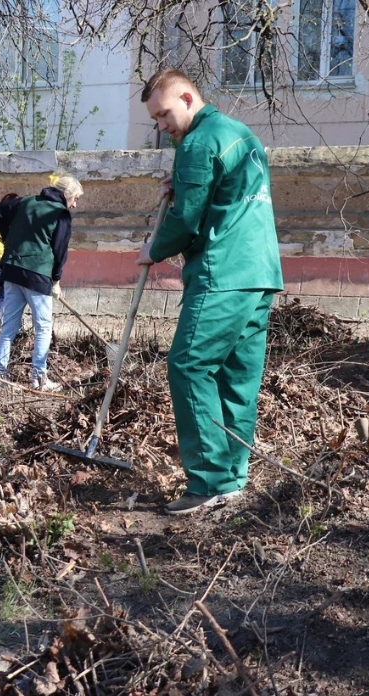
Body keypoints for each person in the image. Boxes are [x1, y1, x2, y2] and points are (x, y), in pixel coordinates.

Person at [136, 68, 284, 515]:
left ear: (186, 97)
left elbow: (187, 220)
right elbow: (225, 193)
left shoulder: (199, 142)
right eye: (156, 120)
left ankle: (207, 483)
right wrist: (182, 185)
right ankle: (232, 477)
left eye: (163, 115)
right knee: (236, 377)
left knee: (188, 365)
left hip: (223, 272)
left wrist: (154, 250)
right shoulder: (241, 135)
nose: (162, 127)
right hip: (260, 274)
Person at [0, 174, 83, 392]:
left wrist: (9, 237)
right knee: (43, 328)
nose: (75, 204)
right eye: (75, 198)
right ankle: (39, 379)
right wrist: (56, 280)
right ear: (66, 194)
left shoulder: (25, 202)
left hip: (12, 270)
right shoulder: (60, 214)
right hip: (37, 274)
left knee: (8, 327)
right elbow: (60, 251)